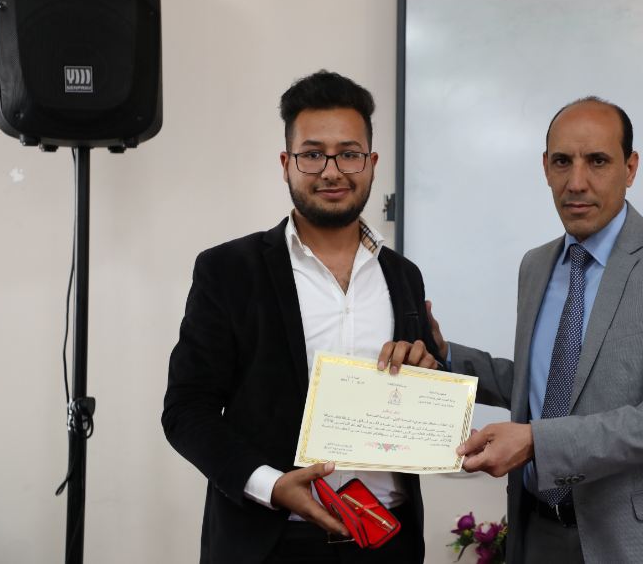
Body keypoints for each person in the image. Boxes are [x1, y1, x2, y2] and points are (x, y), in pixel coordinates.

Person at [416, 98, 643, 563]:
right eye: (562, 162)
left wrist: (537, 441)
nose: (576, 182)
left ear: (630, 168)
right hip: (540, 532)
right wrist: (447, 355)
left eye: (598, 161)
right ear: (545, 168)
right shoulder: (536, 265)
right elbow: (549, 387)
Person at [162, 70, 440, 564]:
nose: (332, 171)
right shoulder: (228, 270)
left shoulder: (404, 275)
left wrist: (428, 374)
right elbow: (187, 410)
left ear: (372, 163)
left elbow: (419, 396)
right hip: (269, 543)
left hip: (388, 542)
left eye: (349, 154)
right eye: (313, 154)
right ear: (286, 163)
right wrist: (269, 485)